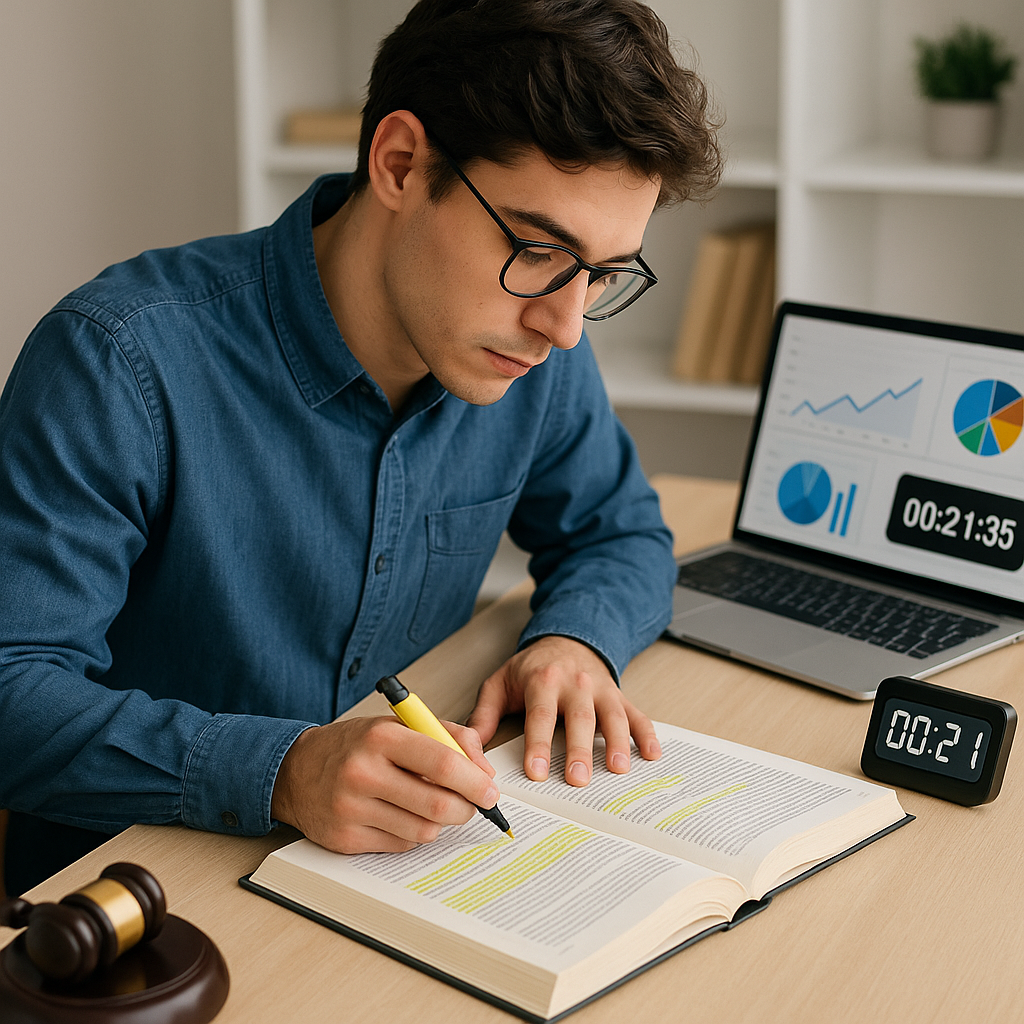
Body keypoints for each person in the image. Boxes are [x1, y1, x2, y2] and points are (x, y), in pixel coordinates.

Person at [0, 0, 721, 895]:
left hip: (408, 876)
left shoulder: (526, 347)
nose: (566, 326)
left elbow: (619, 532)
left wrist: (575, 642)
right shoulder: (118, 360)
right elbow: (9, 690)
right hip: (138, 902)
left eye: (604, 274)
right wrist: (281, 769)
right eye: (538, 249)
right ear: (401, 163)